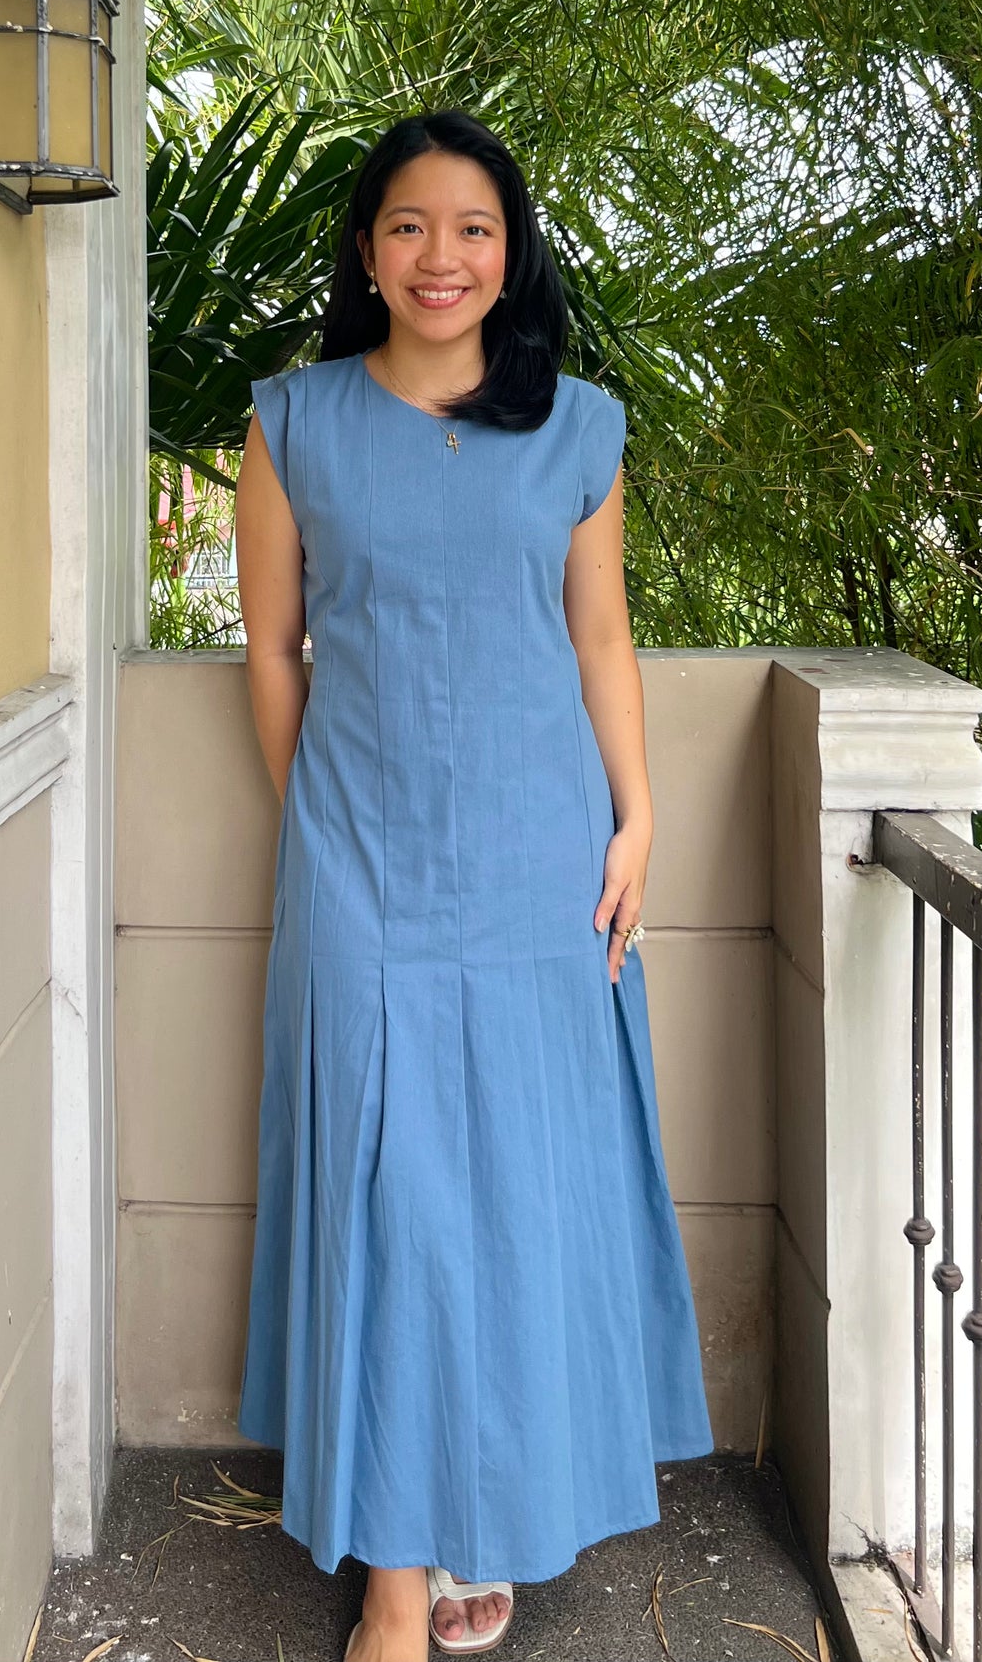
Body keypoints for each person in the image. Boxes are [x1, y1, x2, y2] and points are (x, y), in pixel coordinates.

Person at [232, 109, 713, 1662]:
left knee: (510, 1195)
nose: (441, 257)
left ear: (511, 256)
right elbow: (273, 650)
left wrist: (635, 819)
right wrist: (319, 814)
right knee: (393, 1199)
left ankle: (487, 1508)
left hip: (537, 861)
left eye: (473, 228)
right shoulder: (292, 423)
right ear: (366, 252)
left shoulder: (577, 429)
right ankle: (395, 1573)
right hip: (359, 866)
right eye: (409, 226)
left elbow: (599, 636)